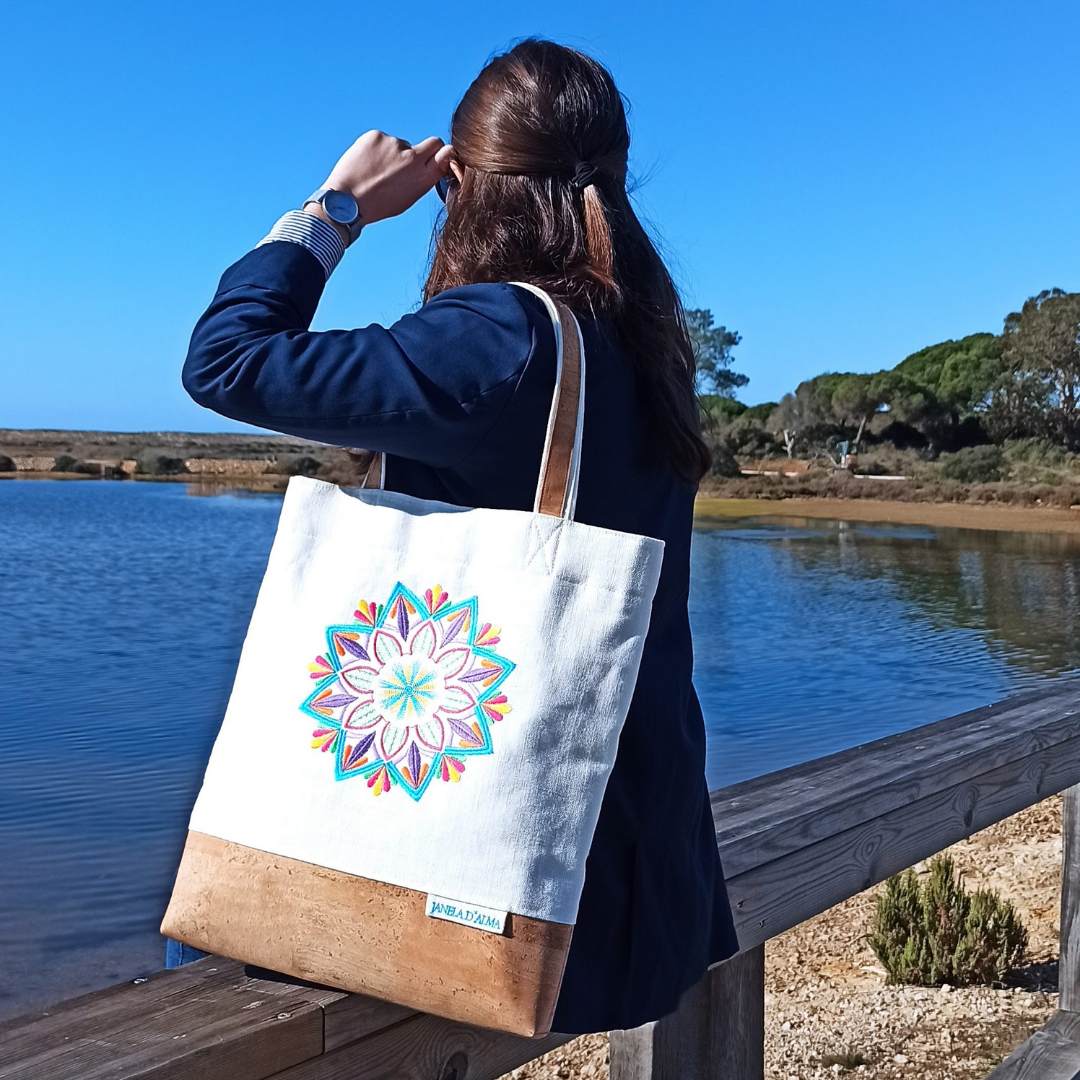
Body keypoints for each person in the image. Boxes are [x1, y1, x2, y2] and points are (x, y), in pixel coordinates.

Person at [178, 38, 738, 1035]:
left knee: (202, 969)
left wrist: (335, 209)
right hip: (635, 871)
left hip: (522, 896)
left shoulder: (500, 339)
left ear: (461, 188)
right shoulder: (637, 334)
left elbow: (227, 360)